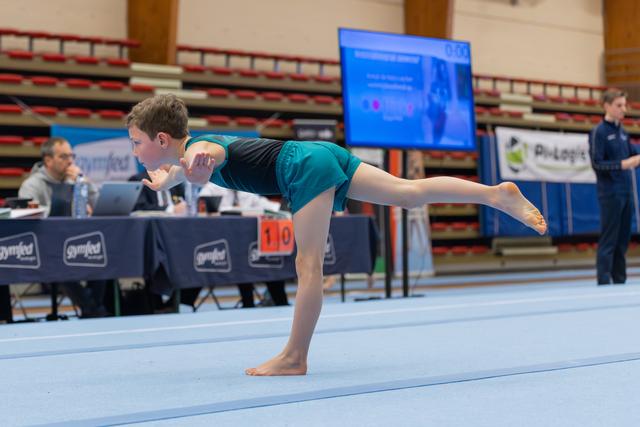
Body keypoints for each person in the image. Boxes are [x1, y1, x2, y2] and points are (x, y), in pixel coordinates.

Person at [126, 94, 547, 376]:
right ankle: (495, 195)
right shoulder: (183, 154)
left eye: (136, 142)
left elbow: (208, 155)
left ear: (161, 138)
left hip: (300, 168)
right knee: (408, 193)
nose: (134, 150)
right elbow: (186, 163)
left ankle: (295, 356)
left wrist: (199, 162)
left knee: (307, 264)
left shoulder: (202, 148)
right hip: (318, 154)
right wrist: (169, 179)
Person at [18, 137, 108, 318]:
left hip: (77, 241)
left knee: (104, 253)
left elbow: (99, 205)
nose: (70, 161)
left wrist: (85, 182)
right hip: (46, 248)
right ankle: (93, 310)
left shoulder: (76, 179)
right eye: (63, 156)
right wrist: (66, 187)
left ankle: (95, 307)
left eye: (71, 156)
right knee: (61, 263)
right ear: (48, 160)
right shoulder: (31, 186)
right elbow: (31, 219)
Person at [199, 182, 289, 307]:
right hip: (222, 240)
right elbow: (202, 204)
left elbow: (262, 203)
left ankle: (280, 300)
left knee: (268, 261)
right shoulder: (212, 187)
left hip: (248, 239)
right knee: (241, 263)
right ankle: (248, 302)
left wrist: (281, 206)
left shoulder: (244, 187)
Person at [588, 89, 640, 285]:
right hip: (610, 193)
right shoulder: (599, 132)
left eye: (624, 105)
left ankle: (620, 281)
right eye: (619, 105)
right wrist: (622, 165)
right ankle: (603, 281)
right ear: (607, 106)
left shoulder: (623, 132)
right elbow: (597, 163)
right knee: (609, 239)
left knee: (623, 240)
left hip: (626, 192)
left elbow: (634, 156)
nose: (623, 109)